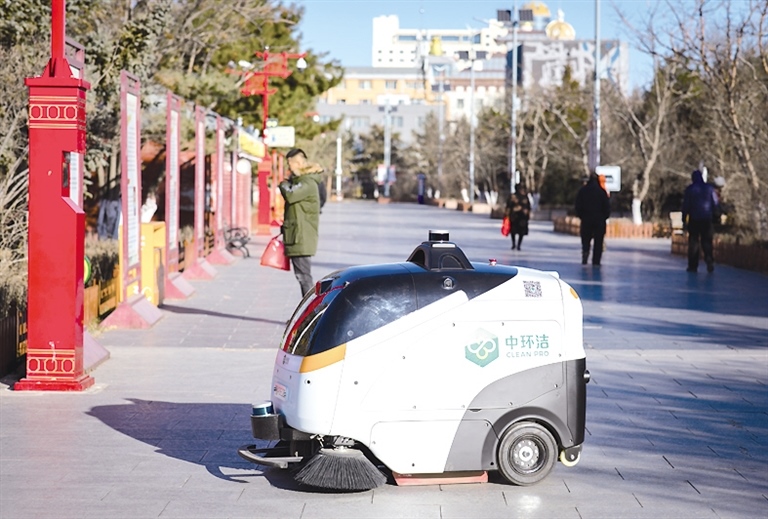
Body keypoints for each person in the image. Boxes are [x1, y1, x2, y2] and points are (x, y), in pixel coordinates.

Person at [279, 148, 324, 296]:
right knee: (302, 276)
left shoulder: (307, 182)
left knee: (304, 276)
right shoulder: (303, 181)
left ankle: (311, 307)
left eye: (290, 164)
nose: (289, 168)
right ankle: (310, 306)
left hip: (301, 235)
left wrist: (283, 184)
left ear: (297, 163)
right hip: (297, 234)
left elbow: (291, 195)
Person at [682, 169, 720, 273]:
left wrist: (684, 218)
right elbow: (715, 202)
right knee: (707, 241)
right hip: (707, 219)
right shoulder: (710, 188)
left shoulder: (690, 189)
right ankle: (709, 258)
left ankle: (693, 265)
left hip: (694, 219)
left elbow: (686, 205)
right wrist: (716, 214)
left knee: (694, 242)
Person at [575, 172, 611, 266]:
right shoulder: (602, 192)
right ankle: (596, 261)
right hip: (599, 221)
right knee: (598, 241)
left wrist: (581, 216)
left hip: (586, 220)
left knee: (586, 240)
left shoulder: (583, 191)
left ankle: (585, 255)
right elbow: (607, 207)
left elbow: (578, 206)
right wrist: (604, 217)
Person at [505, 184, 531, 250]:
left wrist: (527, 213)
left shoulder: (524, 196)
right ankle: (514, 244)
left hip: (521, 217)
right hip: (515, 216)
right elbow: (508, 206)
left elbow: (528, 206)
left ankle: (518, 245)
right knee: (514, 231)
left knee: (520, 231)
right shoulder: (513, 196)